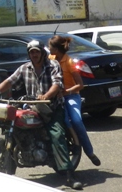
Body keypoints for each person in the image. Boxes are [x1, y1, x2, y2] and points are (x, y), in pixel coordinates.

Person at [0, 39, 83, 190]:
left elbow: (57, 84)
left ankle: (70, 175)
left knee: (57, 135)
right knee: (17, 123)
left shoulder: (53, 65)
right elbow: (9, 81)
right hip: (33, 107)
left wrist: (47, 95)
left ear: (42, 53)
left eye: (37, 51)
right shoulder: (24, 68)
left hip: (52, 108)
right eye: (32, 52)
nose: (34, 54)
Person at [48, 35, 101, 167]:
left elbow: (80, 85)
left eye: (50, 47)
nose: (48, 49)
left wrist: (67, 91)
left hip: (71, 96)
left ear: (56, 49)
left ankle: (89, 152)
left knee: (76, 120)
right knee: (61, 120)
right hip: (56, 97)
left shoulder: (70, 62)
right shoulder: (50, 59)